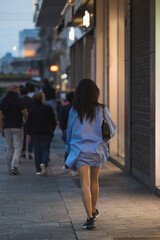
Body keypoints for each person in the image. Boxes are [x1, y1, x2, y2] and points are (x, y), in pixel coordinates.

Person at [65, 79, 116, 230]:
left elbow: (69, 132)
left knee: (84, 184)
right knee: (95, 181)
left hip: (79, 150)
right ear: (95, 93)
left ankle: (89, 218)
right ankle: (93, 211)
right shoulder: (102, 109)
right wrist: (103, 141)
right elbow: (112, 130)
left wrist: (68, 150)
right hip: (97, 150)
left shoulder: (74, 110)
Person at [26, 92, 56, 176]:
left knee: (37, 150)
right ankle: (44, 164)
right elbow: (53, 121)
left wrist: (28, 133)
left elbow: (29, 122)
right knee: (45, 150)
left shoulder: (32, 109)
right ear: (42, 99)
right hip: (46, 132)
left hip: (34, 132)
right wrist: (52, 130)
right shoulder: (48, 108)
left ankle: (38, 169)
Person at [0, 84, 27, 175]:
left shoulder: (3, 101)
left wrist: (1, 127)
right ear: (14, 89)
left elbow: (0, 115)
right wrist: (26, 121)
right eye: (18, 88)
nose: (19, 90)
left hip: (7, 126)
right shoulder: (19, 100)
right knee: (17, 146)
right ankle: (14, 166)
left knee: (8, 146)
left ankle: (9, 166)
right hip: (17, 126)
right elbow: (25, 113)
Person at [59, 91, 76, 175]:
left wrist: (63, 129)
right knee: (75, 150)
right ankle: (74, 168)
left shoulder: (64, 107)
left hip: (66, 130)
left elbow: (61, 119)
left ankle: (66, 166)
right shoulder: (76, 108)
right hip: (76, 132)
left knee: (67, 148)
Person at [21, 87, 34, 159]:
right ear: (27, 92)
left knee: (23, 136)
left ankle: (23, 152)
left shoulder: (20, 100)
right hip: (30, 120)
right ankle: (30, 152)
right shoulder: (31, 100)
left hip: (22, 121)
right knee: (30, 136)